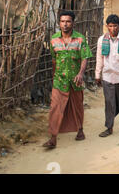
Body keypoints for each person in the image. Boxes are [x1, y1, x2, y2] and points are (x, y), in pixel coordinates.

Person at [43, 11, 93, 149]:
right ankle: (53, 138)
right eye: (62, 21)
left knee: (77, 106)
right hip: (59, 80)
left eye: (68, 21)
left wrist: (81, 73)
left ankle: (80, 130)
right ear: (59, 23)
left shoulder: (80, 39)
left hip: (75, 80)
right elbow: (54, 60)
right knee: (55, 108)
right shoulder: (53, 40)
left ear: (73, 23)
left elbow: (85, 57)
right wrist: (54, 76)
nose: (65, 24)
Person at [95, 14, 119, 138]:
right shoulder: (102, 40)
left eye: (115, 26)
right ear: (107, 26)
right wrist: (97, 74)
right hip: (107, 76)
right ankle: (109, 127)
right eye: (110, 26)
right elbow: (99, 58)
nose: (113, 29)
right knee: (109, 102)